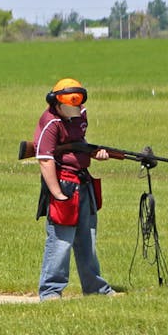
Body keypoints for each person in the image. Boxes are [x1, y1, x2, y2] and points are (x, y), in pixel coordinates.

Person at [32, 78, 118, 300]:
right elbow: (45, 159)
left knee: (87, 238)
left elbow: (79, 144)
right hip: (64, 184)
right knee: (60, 241)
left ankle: (96, 289)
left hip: (83, 182)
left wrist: (94, 153)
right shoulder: (50, 122)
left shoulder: (80, 115)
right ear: (57, 104)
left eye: (78, 105)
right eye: (70, 106)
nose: (76, 110)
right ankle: (51, 291)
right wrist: (57, 193)